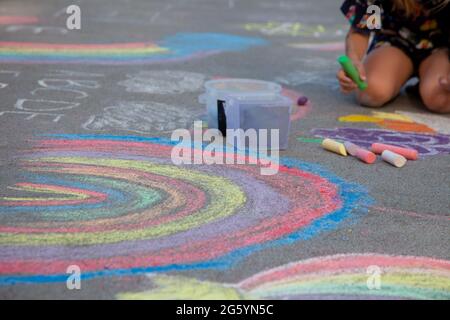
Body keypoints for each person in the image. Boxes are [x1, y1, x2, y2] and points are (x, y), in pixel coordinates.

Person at [337, 0, 450, 113]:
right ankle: (415, 80)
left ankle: (426, 82)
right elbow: (361, 30)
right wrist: (354, 60)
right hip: (395, 40)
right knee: (371, 91)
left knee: (440, 98)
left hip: (440, 47)